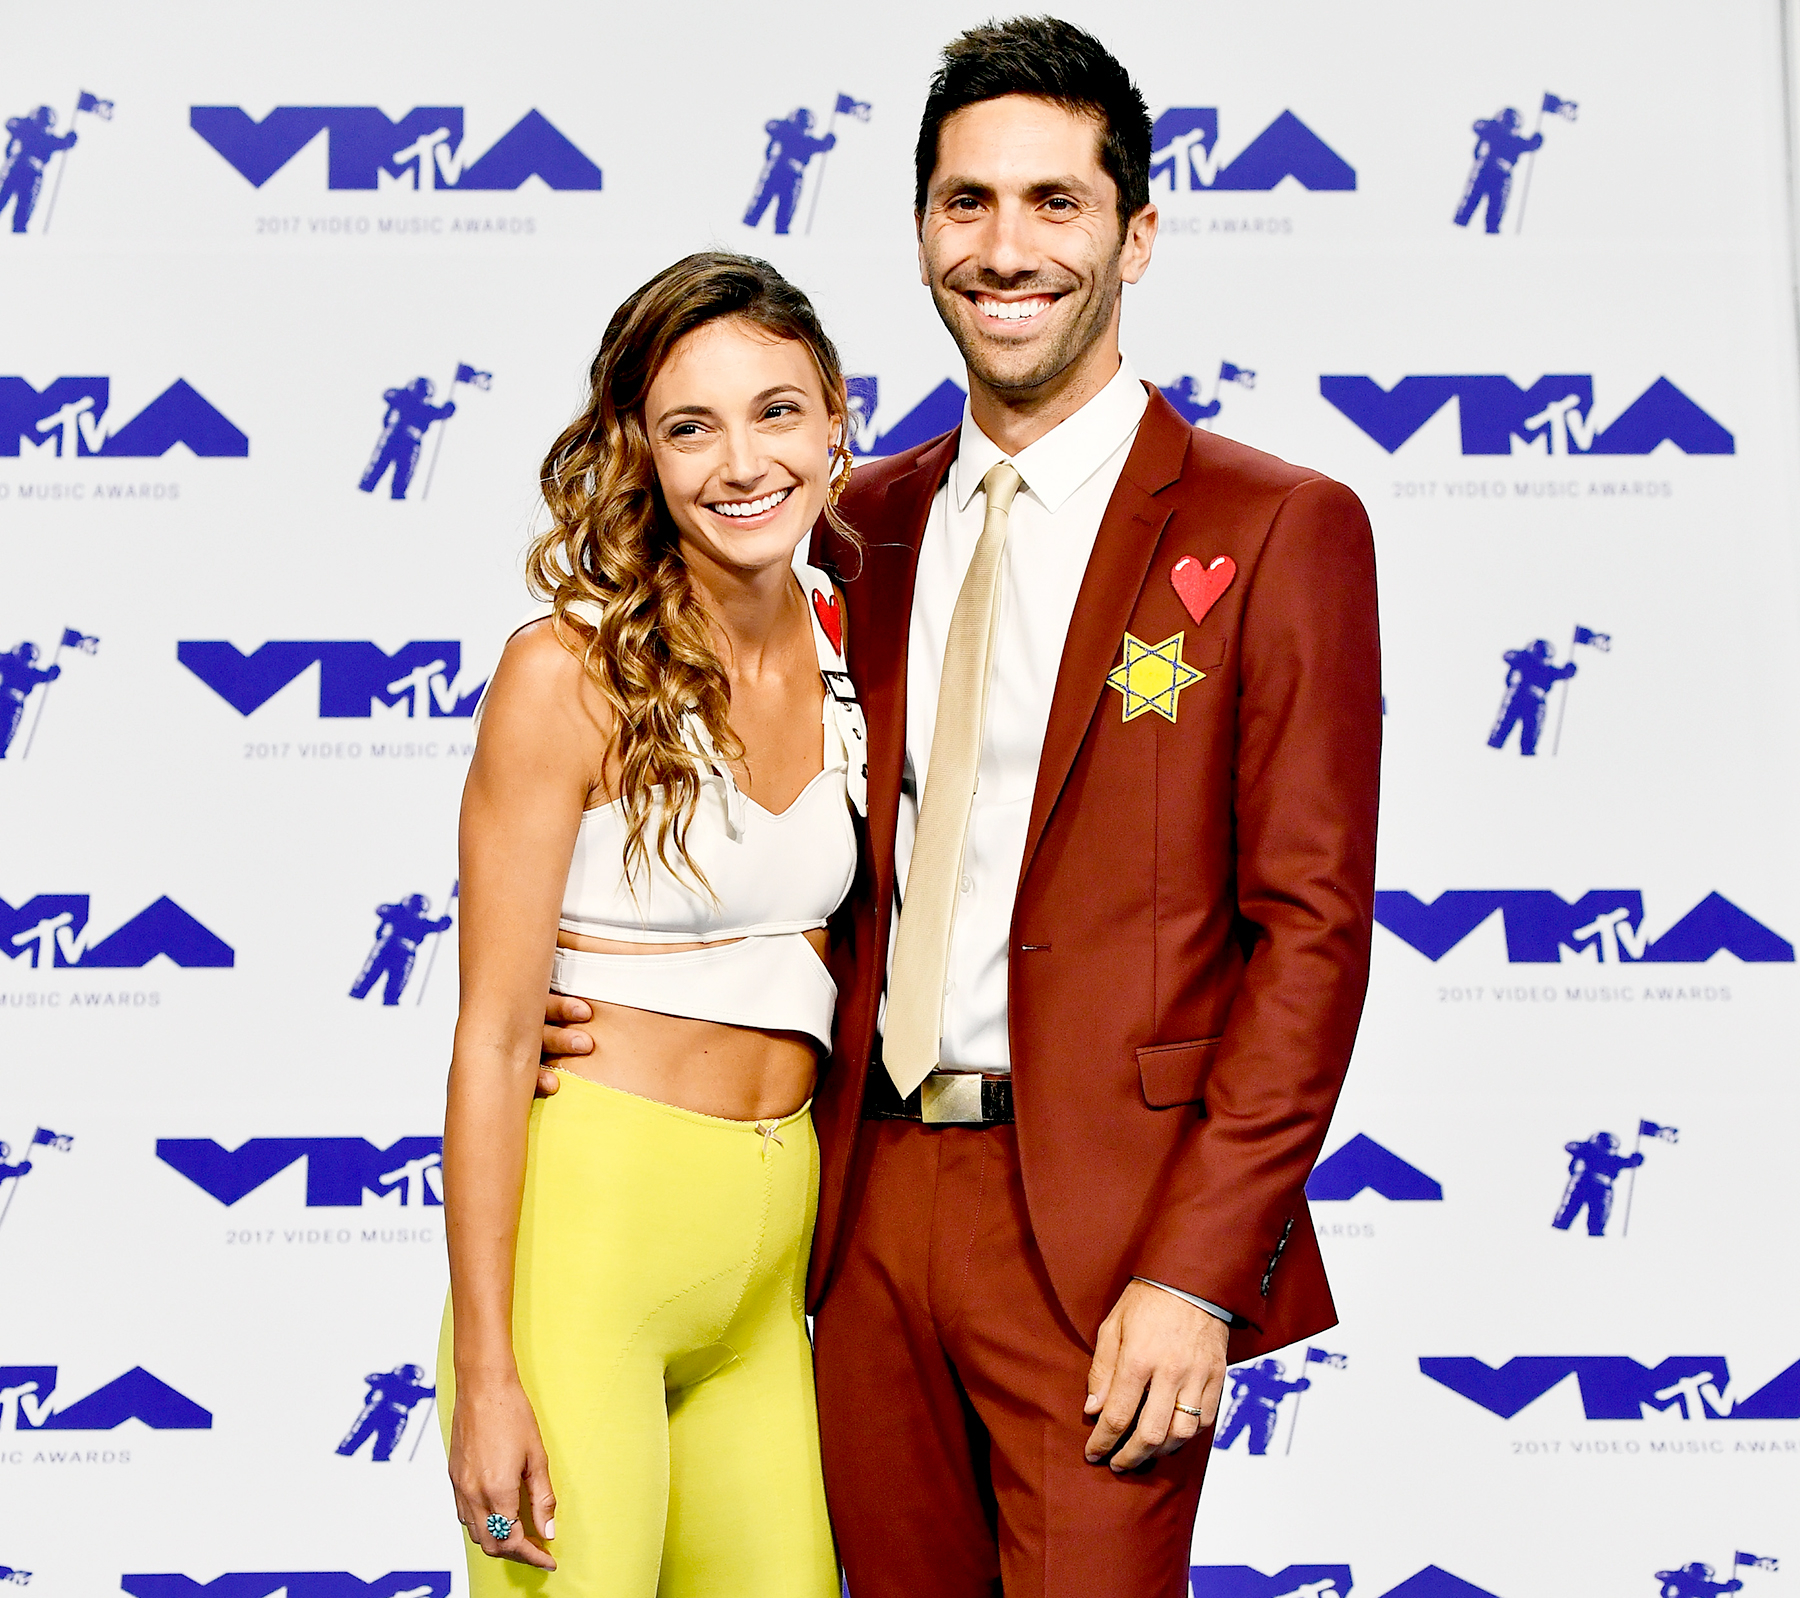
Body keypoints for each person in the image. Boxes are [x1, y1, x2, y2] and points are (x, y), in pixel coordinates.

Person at [543, 18, 1380, 1595]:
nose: (1006, 248)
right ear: (923, 230)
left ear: (1137, 234)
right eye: (967, 202)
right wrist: (581, 1001)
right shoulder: (851, 523)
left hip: (1107, 1232)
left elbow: (1313, 937)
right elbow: (755, 822)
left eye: (1055, 204)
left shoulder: (1277, 528)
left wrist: (1200, 1276)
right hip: (852, 1217)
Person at [440, 252, 862, 1597]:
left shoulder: (858, 640)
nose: (743, 460)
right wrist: (490, 1371)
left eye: (777, 411)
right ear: (640, 449)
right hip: (594, 1234)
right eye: (693, 424)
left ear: (838, 420)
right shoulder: (565, 669)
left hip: (770, 1263)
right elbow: (497, 1037)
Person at [359, 378, 456, 500]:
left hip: (409, 444)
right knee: (374, 473)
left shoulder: (426, 409)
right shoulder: (402, 399)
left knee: (401, 481)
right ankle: (361, 497)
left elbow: (442, 413)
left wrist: (449, 408)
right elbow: (387, 394)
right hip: (393, 439)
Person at [743, 108, 835, 235]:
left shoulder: (806, 140)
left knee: (783, 217)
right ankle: (745, 234)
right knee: (757, 210)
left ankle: (777, 241)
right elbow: (769, 126)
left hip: (792, 178)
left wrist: (829, 141)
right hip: (775, 173)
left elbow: (822, 145)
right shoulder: (783, 131)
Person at [349, 894, 451, 1006]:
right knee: (378, 982)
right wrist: (444, 922)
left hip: (396, 951)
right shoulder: (399, 913)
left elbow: (439, 926)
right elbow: (380, 909)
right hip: (392, 949)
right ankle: (356, 1002)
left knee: (388, 986)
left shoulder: (402, 915)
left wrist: (445, 922)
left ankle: (360, 1002)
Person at [1454, 107, 1541, 234]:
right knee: (1470, 203)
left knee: (1495, 210)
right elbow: (1477, 125)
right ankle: (1459, 228)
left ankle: (1487, 232)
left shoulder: (1514, 140)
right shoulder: (1492, 131)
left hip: (1501, 175)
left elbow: (1530, 145)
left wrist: (1537, 139)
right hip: (1485, 170)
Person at [1488, 638, 1574, 755]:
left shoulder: (1547, 669)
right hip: (1515, 700)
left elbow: (1563, 674)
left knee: (1529, 739)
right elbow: (1507, 655)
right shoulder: (1522, 661)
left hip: (1534, 704)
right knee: (1500, 733)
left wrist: (1569, 670)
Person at [1551, 1131, 1642, 1236]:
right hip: (1583, 1184)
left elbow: (1630, 1163)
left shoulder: (1608, 1157)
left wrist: (1636, 1159)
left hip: (1596, 1188)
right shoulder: (1586, 1150)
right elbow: (1569, 1146)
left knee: (1596, 1220)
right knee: (1567, 1215)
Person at [0, 106, 75, 233]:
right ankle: (19, 239)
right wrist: (70, 139)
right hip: (16, 170)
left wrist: (70, 139)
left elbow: (64, 143)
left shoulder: (44, 137)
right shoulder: (26, 129)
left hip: (29, 174)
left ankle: (18, 242)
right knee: (18, 214)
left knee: (22, 216)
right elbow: (10, 123)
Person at [338, 1364, 435, 1461]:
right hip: (378, 1413)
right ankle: (340, 1459)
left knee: (381, 1449)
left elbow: (431, 1392)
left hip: (389, 1417)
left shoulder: (392, 1381)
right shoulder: (389, 1380)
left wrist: (437, 1388)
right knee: (356, 1442)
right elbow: (370, 1378)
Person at [1213, 1358, 1310, 1455]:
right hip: (1246, 1408)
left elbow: (1296, 1387)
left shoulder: (1256, 1377)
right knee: (1227, 1437)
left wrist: (1302, 1384)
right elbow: (1232, 1372)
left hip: (1258, 1411)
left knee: (1257, 1442)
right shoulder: (1250, 1375)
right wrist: (1301, 1384)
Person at [0, 641, 59, 757]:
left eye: (29, 656)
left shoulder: (31, 673)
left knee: (5, 736)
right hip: (3, 700)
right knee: (5, 735)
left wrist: (54, 671)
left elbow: (47, 676)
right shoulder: (9, 662)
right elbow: (47, 676)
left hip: (14, 706)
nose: (25, 660)